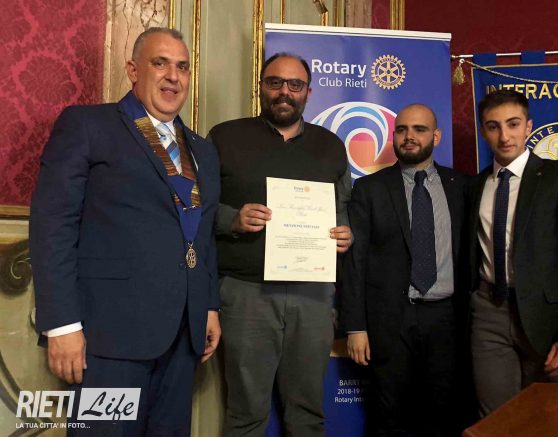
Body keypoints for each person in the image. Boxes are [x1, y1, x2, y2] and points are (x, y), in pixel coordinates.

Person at [30, 27, 221, 434]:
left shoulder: (202, 150)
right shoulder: (87, 125)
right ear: (133, 70)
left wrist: (208, 307)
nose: (173, 76)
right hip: (108, 341)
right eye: (160, 63)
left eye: (182, 67)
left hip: (182, 340)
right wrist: (61, 324)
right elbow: (53, 226)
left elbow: (202, 237)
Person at [207, 52, 352, 437]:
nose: (284, 92)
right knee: (245, 413)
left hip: (313, 295)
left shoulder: (331, 145)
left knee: (308, 414)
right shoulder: (225, 137)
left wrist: (344, 232)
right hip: (246, 294)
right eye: (275, 82)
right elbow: (199, 208)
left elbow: (343, 208)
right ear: (261, 87)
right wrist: (233, 219)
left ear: (308, 92)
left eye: (295, 85)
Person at [469, 89, 558, 415]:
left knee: (551, 420)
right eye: (493, 126)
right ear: (483, 131)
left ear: (528, 126)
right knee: (496, 422)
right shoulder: (474, 186)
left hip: (549, 321)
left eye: (513, 124)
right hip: (488, 312)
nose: (504, 136)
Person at [340, 104, 469, 436]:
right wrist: (355, 327)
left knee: (442, 417)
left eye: (419, 129)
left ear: (436, 136)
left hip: (447, 320)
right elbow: (355, 262)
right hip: (390, 320)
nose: (409, 136)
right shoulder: (370, 189)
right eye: (402, 130)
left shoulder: (462, 187)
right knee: (388, 418)